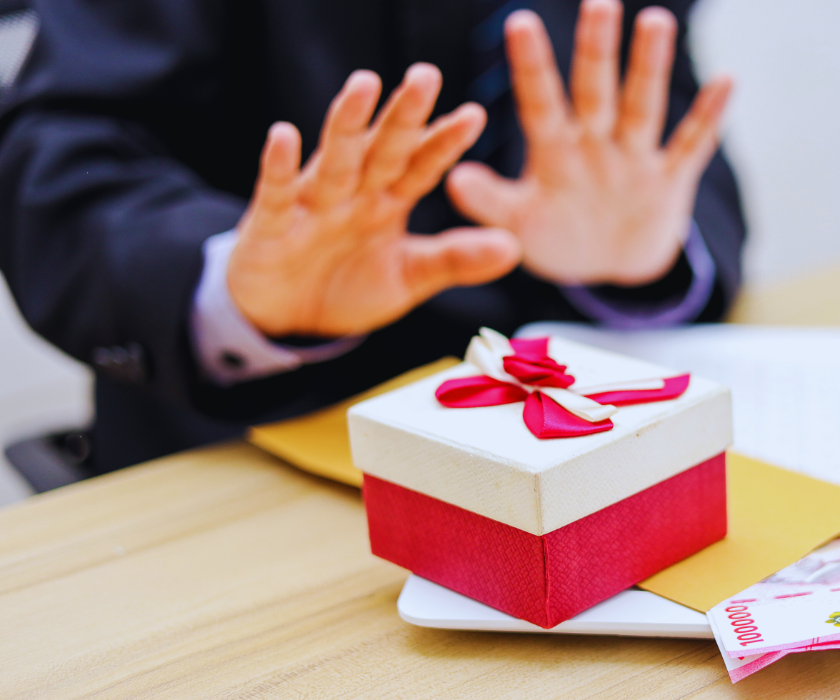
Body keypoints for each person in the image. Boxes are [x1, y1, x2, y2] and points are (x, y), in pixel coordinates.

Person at [0, 0, 745, 473]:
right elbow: (63, 153)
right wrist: (233, 289)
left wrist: (635, 259)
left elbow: (650, 108)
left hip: (581, 446)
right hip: (253, 453)